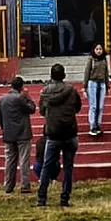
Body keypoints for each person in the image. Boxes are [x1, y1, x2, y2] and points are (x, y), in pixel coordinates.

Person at [37, 63, 81, 208]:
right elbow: (78, 107)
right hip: (70, 132)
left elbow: (42, 111)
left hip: (53, 133)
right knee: (68, 167)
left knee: (47, 166)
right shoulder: (72, 90)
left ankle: (42, 198)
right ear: (64, 75)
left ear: (51, 76)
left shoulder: (45, 92)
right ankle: (64, 198)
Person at [0, 76, 36, 194]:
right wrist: (28, 97)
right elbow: (32, 109)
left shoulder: (1, 99)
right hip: (23, 133)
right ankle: (25, 185)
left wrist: (5, 127)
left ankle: (8, 185)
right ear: (21, 87)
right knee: (24, 160)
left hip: (8, 134)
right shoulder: (20, 98)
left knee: (9, 160)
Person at [82, 42, 110, 135]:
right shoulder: (91, 60)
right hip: (92, 83)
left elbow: (106, 73)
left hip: (102, 84)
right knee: (93, 105)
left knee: (100, 106)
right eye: (97, 49)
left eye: (100, 49)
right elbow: (87, 73)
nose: (99, 51)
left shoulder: (104, 60)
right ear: (94, 50)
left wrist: (108, 86)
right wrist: (84, 87)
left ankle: (98, 124)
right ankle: (92, 126)